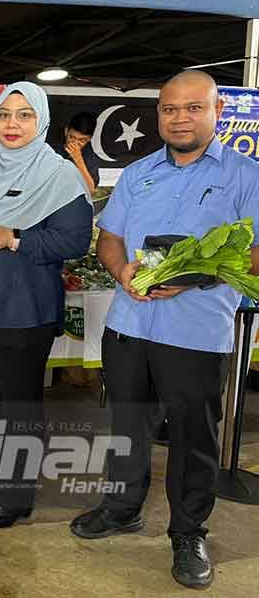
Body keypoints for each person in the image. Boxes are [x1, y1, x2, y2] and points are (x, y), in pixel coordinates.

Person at [69, 70, 259, 590]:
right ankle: (123, 507)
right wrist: (122, 270)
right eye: (170, 109)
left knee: (194, 439)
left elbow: (258, 255)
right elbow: (110, 239)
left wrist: (197, 273)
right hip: (130, 325)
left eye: (193, 108)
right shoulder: (138, 174)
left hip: (196, 334)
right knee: (127, 426)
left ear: (217, 112)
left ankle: (188, 530)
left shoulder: (247, 176)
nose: (180, 118)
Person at [0, 81, 92, 528]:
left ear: (41, 121)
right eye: (5, 114)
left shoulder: (59, 174)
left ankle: (16, 494)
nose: (13, 124)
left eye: (25, 115)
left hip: (24, 308)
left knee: (17, 404)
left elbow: (76, 240)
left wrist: (15, 238)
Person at [56, 111, 100, 193]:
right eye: (72, 137)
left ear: (89, 139)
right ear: (66, 131)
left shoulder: (90, 157)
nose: (75, 143)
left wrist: (78, 160)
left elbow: (91, 190)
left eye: (82, 140)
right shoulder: (50, 147)